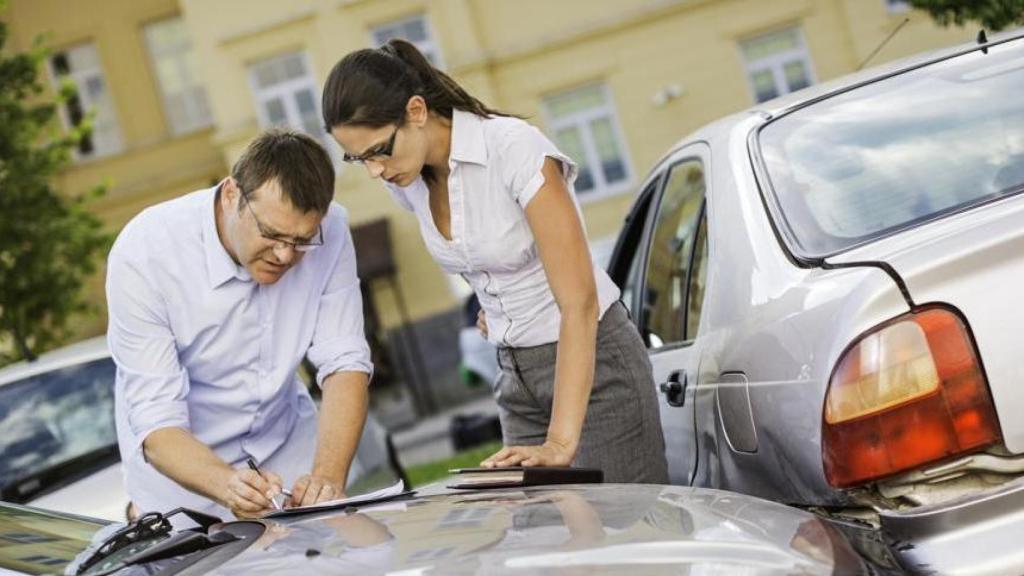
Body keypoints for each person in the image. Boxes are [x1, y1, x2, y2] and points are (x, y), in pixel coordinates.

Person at [321, 39, 667, 483]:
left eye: (378, 150)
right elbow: (487, 255)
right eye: (358, 158)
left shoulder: (513, 149)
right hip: (515, 377)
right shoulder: (407, 180)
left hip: (595, 369)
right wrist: (498, 307)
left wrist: (561, 443)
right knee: (546, 543)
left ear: (417, 111)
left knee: (625, 539)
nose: (375, 170)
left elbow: (578, 302)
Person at [106, 129, 373, 523]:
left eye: (301, 242)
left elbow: (345, 362)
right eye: (271, 234)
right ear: (231, 194)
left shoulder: (331, 230)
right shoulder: (145, 253)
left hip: (288, 450)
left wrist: (327, 480)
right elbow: (157, 422)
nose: (285, 254)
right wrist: (226, 483)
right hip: (183, 484)